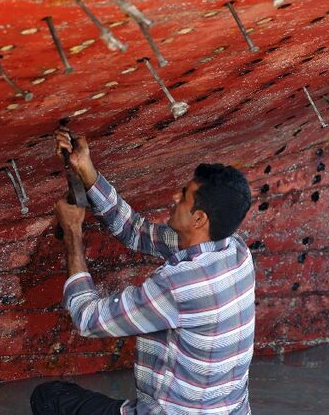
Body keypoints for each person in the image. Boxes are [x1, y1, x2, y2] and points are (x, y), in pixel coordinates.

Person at [30, 129, 255, 415]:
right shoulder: (235, 251)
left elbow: (87, 319)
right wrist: (87, 173)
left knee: (50, 398)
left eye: (184, 196)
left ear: (199, 218)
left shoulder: (180, 286)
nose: (175, 196)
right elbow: (137, 232)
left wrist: (74, 233)